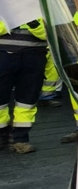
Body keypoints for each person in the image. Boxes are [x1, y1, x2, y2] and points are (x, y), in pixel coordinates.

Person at [0, 20, 48, 153]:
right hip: (2, 54)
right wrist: (11, 20)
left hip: (34, 55)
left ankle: (20, 139)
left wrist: (33, 23)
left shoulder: (40, 6)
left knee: (27, 100)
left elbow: (47, 35)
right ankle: (2, 135)